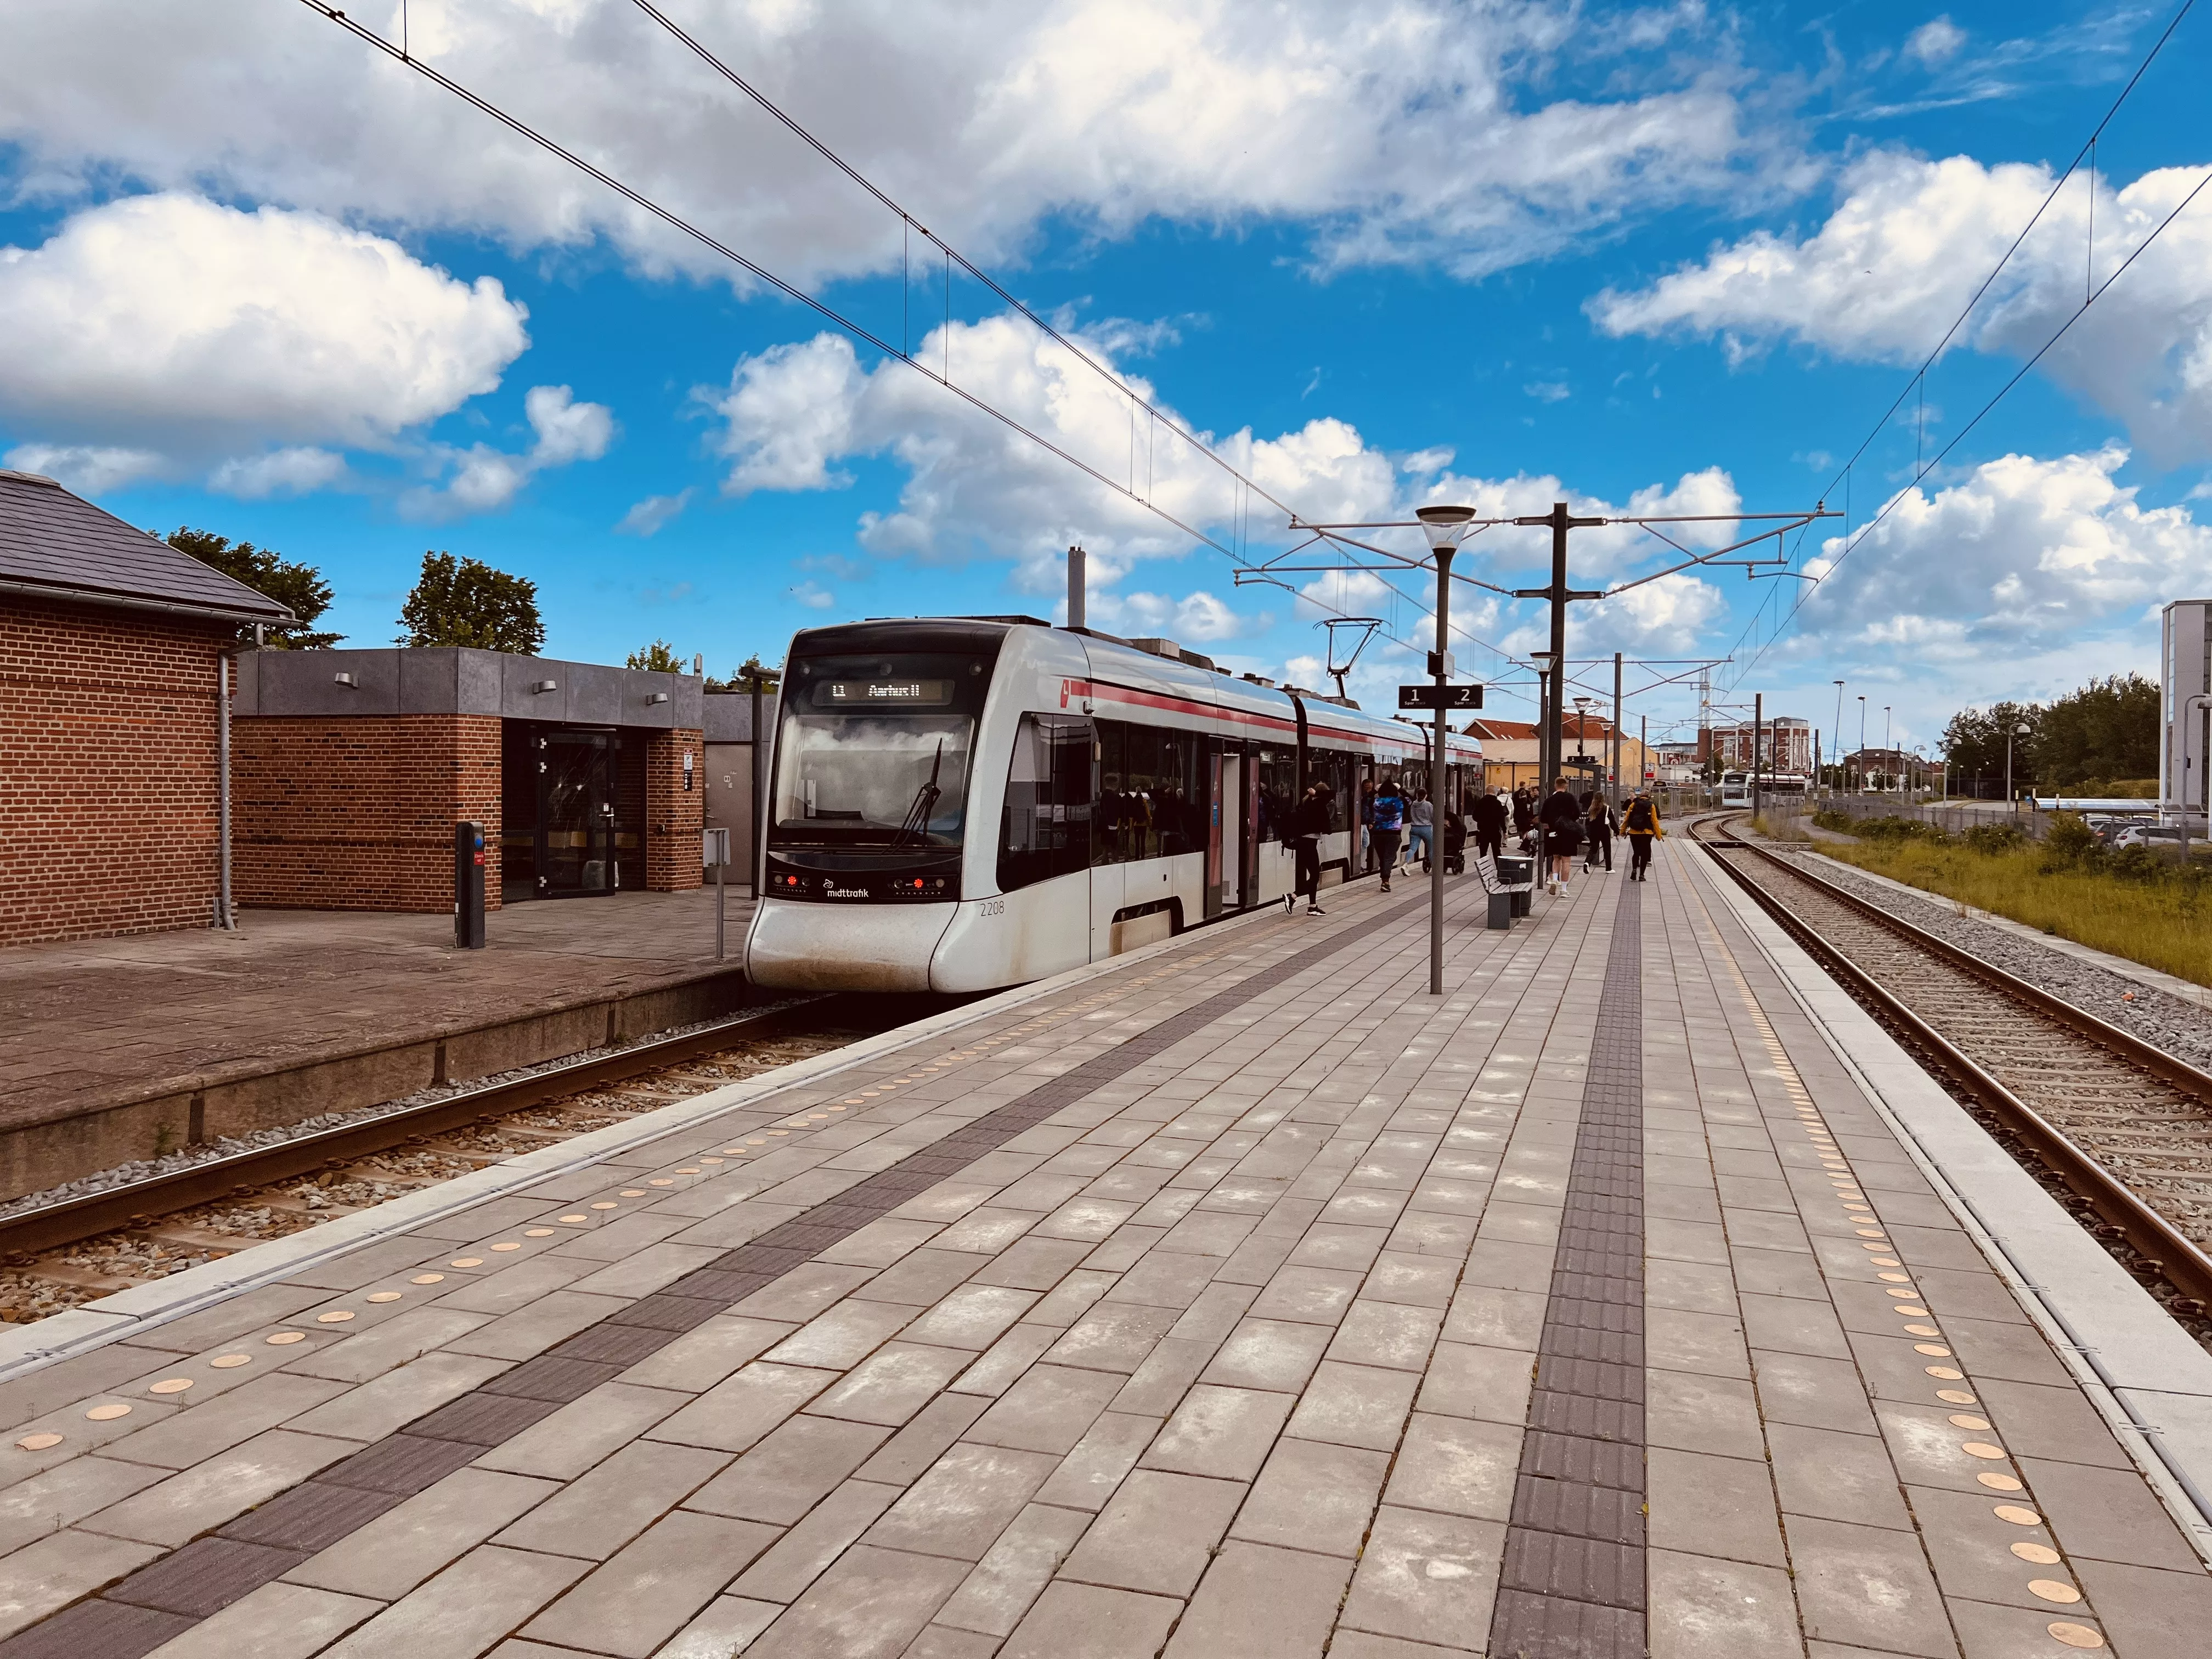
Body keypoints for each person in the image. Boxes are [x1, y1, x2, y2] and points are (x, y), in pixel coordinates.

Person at [1289, 781, 1333, 915]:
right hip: (1308, 843)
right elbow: (1330, 797)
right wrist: (1318, 795)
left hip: (1305, 842)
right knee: (1315, 876)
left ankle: (1313, 906)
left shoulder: (1307, 803)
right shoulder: (1316, 804)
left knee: (1314, 875)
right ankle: (1292, 897)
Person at [1537, 776, 1582, 896]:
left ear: (1555, 786)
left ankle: (1554, 880)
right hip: (1568, 833)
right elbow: (1577, 814)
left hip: (1553, 832)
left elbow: (1543, 818)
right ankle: (1564, 890)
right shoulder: (1571, 798)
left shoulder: (1549, 800)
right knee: (1566, 861)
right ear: (1566, 785)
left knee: (1556, 858)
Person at [1369, 775, 1409, 893]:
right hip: (1394, 834)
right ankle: (1385, 881)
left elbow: (1366, 799)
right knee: (1390, 857)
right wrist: (1401, 789)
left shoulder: (1376, 802)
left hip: (1378, 833)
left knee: (1383, 858)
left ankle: (1385, 878)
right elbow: (1410, 799)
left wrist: (1375, 791)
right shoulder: (1399, 802)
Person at [1623, 790, 1663, 881]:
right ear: (1649, 796)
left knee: (1636, 853)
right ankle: (1641, 875)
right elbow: (1655, 821)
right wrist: (1658, 835)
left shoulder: (1633, 804)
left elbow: (1627, 818)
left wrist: (1623, 831)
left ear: (1640, 796)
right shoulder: (1651, 805)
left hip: (1634, 833)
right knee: (1644, 854)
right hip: (1647, 833)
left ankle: (1634, 870)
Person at [1584, 794, 1616, 872]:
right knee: (1607, 849)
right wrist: (1617, 831)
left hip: (1593, 831)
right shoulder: (1606, 808)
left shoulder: (1591, 809)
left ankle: (1587, 863)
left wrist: (1588, 833)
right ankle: (1608, 868)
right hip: (1604, 831)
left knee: (1594, 848)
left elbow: (1587, 823)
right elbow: (1612, 822)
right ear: (1603, 799)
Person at [1473, 787, 1508, 860]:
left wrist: (1481, 822)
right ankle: (1498, 868)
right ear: (1494, 793)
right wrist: (1504, 831)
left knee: (1483, 851)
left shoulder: (1481, 802)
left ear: (1486, 792)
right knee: (1496, 851)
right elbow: (1502, 818)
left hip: (1483, 830)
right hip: (1495, 830)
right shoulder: (1497, 803)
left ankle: (1484, 868)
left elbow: (1475, 816)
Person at [1406, 790, 1435, 873]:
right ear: (1426, 796)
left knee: (1412, 848)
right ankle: (1434, 867)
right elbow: (1432, 817)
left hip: (1414, 828)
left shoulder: (1413, 805)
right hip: (1426, 829)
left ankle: (1405, 864)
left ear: (1417, 795)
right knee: (1431, 849)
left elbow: (1411, 816)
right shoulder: (1428, 805)